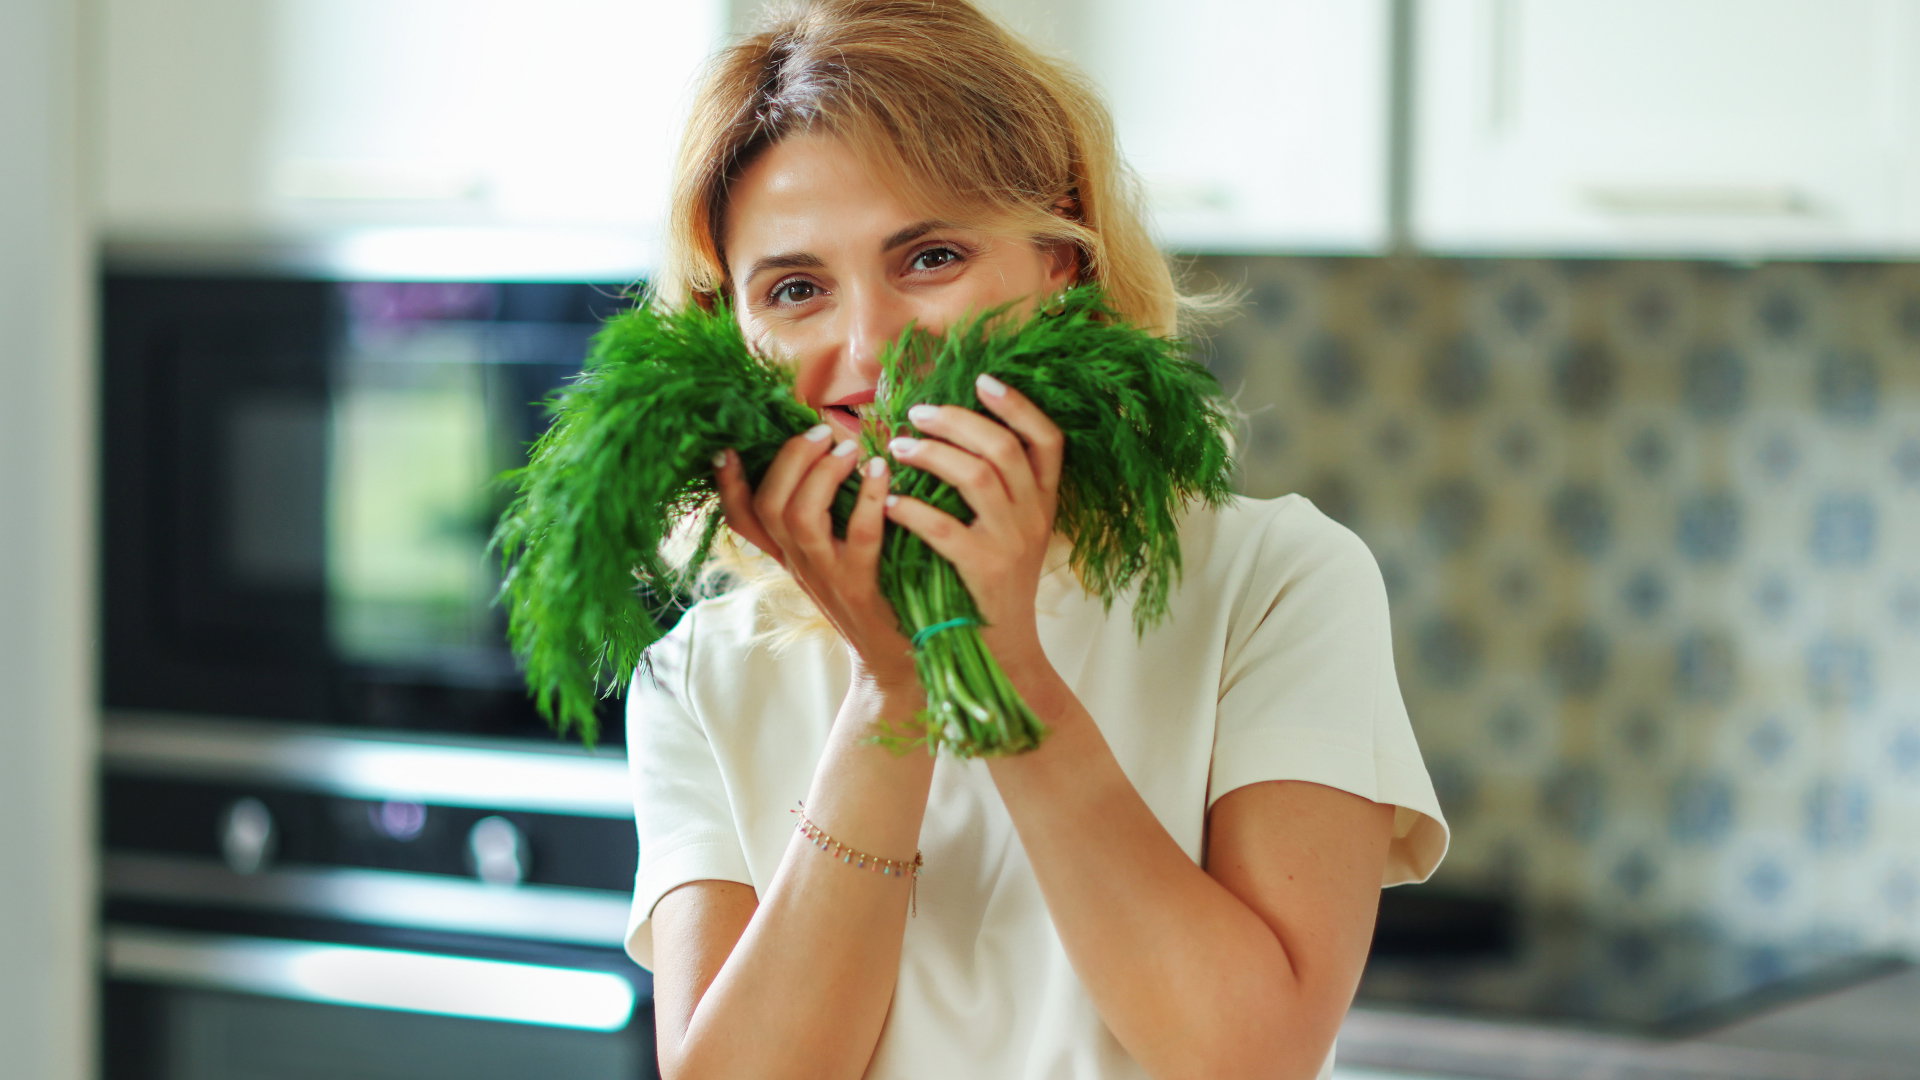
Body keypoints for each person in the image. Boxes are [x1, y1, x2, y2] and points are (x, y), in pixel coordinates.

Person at [622, 2, 1450, 1078]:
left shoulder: (1275, 583)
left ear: (1063, 255)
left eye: (929, 257)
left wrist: (997, 665)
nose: (868, 349)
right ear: (732, 331)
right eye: (795, 289)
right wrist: (896, 688)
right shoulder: (698, 675)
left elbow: (1250, 1060)